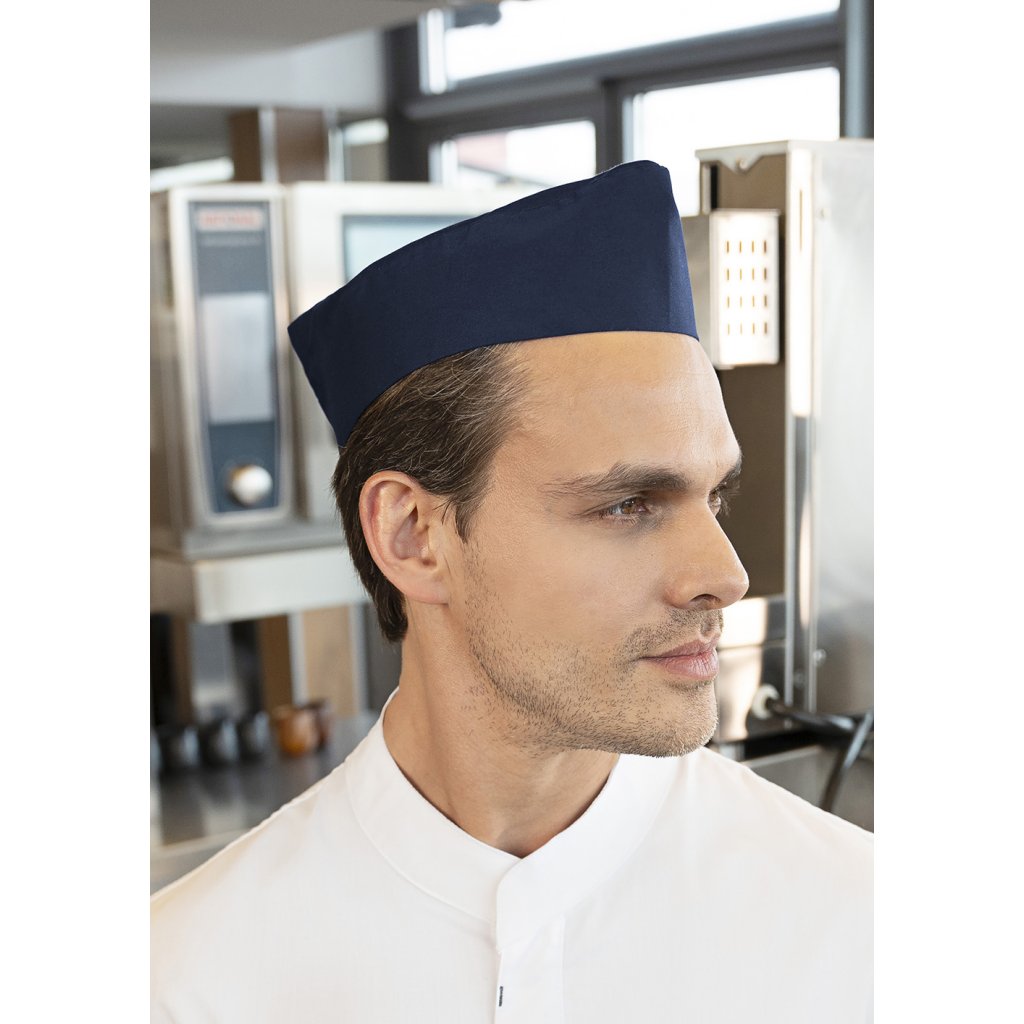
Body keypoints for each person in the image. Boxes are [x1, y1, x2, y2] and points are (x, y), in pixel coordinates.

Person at [151, 161, 872, 1023]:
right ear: (412, 535)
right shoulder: (186, 978)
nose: (725, 575)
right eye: (628, 504)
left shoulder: (861, 932)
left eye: (714, 497)